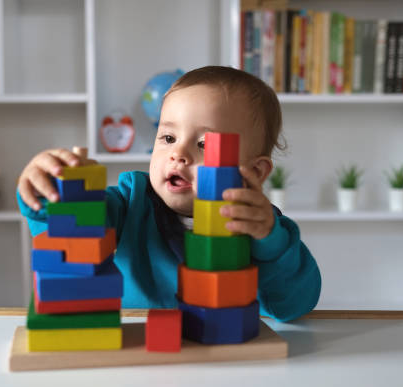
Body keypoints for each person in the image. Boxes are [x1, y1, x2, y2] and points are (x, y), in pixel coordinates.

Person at [17, 65, 321, 322]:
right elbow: (72, 231)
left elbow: (293, 305)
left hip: (220, 365)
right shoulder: (129, 201)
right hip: (141, 361)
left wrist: (270, 242)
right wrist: (47, 191)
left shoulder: (258, 225)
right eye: (168, 137)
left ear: (254, 173)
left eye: (204, 144)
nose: (178, 154)